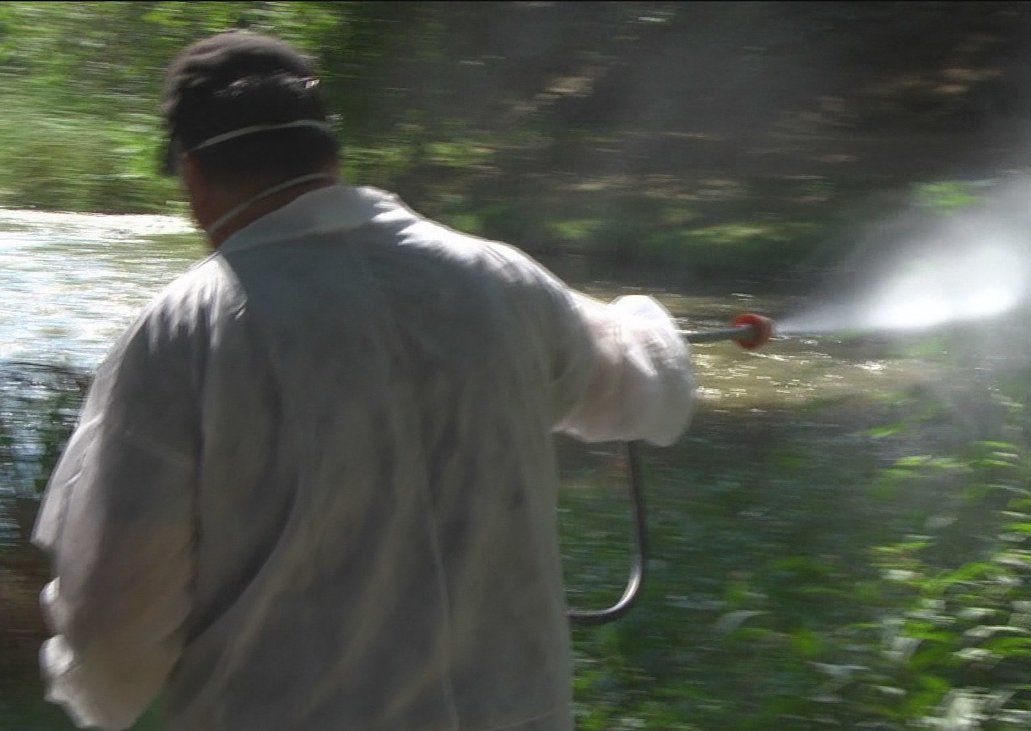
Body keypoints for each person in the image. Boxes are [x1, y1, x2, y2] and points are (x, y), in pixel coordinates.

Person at [31, 31, 695, 731]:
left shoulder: (177, 338)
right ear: (330, 157)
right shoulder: (503, 283)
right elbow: (651, 383)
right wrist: (645, 324)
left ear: (193, 175)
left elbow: (112, 648)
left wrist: (81, 686)